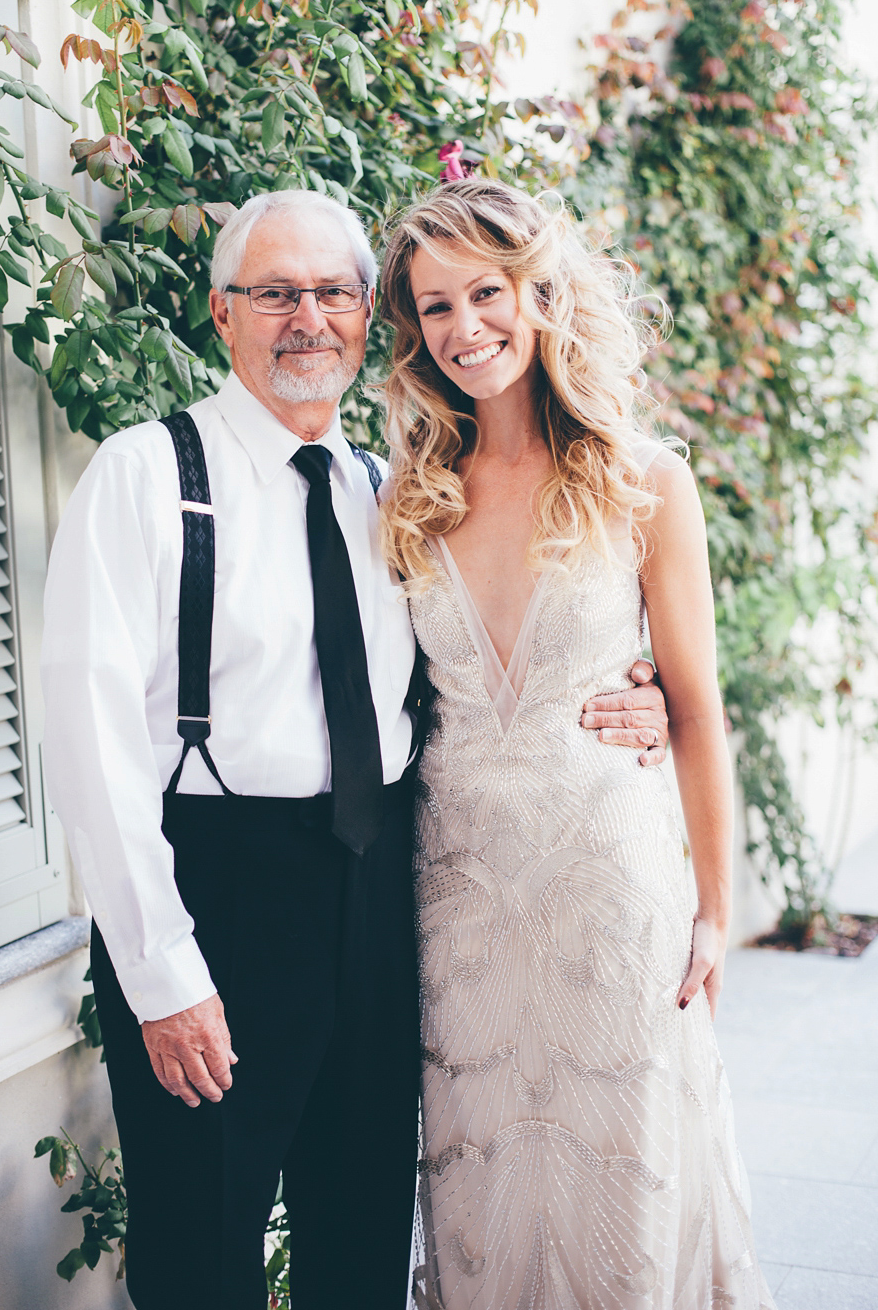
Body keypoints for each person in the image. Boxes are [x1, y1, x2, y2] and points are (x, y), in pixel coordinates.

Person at [39, 188, 669, 1310]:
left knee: (362, 1240)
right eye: (276, 293)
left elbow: (490, 666)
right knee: (202, 1254)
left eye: (333, 292)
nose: (307, 318)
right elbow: (89, 745)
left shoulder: (394, 492)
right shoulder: (144, 476)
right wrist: (161, 973)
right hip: (216, 897)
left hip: (382, 895)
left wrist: (642, 690)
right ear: (223, 314)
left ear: (369, 313)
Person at [377, 179, 776, 1310]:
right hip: (459, 907)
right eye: (435, 308)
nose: (465, 331)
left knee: (622, 1200)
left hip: (613, 894)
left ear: (540, 293)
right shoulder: (410, 495)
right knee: (481, 1198)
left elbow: (695, 709)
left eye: (486, 294)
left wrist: (715, 906)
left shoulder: (644, 479)